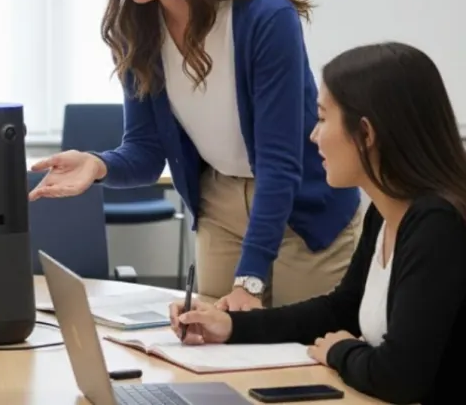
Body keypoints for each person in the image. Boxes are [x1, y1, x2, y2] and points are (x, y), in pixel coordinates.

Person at [29, 0, 361, 310]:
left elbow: (281, 163)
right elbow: (146, 154)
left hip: (302, 209)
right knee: (221, 356)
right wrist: (98, 164)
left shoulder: (264, 16)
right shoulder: (137, 28)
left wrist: (251, 279)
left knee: (306, 358)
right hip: (220, 208)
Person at [167, 42, 466, 404]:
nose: (313, 135)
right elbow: (341, 309)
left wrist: (340, 350)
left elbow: (400, 377)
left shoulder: (437, 224)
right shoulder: (386, 213)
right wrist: (231, 326)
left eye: (322, 119)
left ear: (366, 134)